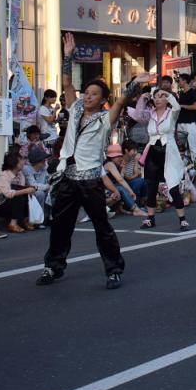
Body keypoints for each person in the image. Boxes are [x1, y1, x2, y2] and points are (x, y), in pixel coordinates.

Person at [37, 32, 135, 289]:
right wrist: (67, 56)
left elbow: (121, 102)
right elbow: (68, 84)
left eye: (93, 94)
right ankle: (53, 267)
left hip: (91, 180)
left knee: (102, 227)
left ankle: (113, 270)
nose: (88, 96)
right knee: (60, 226)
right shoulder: (76, 108)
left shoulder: (104, 120)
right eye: (87, 92)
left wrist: (135, 84)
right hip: (68, 178)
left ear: (103, 100)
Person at [126, 83, 188, 230]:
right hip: (153, 151)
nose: (158, 99)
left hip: (168, 151)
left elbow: (177, 107)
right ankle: (150, 219)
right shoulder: (150, 114)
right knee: (151, 186)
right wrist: (143, 98)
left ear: (167, 99)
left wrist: (168, 95)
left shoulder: (171, 113)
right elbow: (138, 115)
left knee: (173, 186)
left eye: (162, 96)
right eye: (156, 97)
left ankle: (182, 219)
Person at [0, 150, 36, 233]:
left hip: (10, 202)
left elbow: (21, 189)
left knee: (25, 194)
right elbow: (8, 194)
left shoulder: (20, 174)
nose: (23, 162)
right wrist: (25, 190)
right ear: (14, 163)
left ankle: (25, 220)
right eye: (21, 159)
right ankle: (13, 223)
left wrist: (28, 190)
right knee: (19, 195)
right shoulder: (4, 175)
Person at [101, 143, 147, 216]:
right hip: (106, 192)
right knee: (121, 188)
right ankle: (136, 209)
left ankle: (143, 203)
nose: (120, 158)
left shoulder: (117, 164)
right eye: (117, 156)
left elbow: (121, 178)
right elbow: (120, 180)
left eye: (120, 156)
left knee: (141, 180)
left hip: (115, 188)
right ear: (111, 157)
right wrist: (131, 191)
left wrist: (122, 168)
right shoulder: (109, 164)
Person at [23, 147, 52, 223]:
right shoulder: (27, 169)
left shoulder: (43, 170)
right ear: (37, 162)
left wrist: (50, 186)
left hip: (41, 190)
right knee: (40, 194)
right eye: (43, 160)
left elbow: (48, 180)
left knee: (51, 192)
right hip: (28, 192)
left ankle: (48, 217)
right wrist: (47, 187)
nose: (45, 161)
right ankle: (38, 220)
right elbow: (33, 185)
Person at [176, 73, 196, 162]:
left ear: (185, 81)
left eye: (179, 80)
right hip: (180, 122)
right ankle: (184, 163)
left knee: (192, 145)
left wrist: (182, 106)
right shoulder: (181, 93)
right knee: (182, 146)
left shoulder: (192, 92)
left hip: (190, 122)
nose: (178, 82)